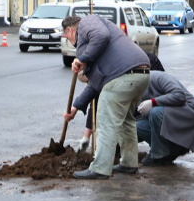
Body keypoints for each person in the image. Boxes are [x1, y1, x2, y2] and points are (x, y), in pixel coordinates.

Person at [61, 14, 152, 179]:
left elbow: (102, 35)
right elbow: (95, 84)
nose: (70, 42)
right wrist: (75, 107)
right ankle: (129, 163)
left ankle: (100, 168)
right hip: (141, 74)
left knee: (105, 121)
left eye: (67, 37)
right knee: (126, 121)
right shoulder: (93, 46)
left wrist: (82, 58)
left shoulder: (87, 22)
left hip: (123, 75)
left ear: (70, 30)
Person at [78, 52, 164, 152]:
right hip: (135, 105)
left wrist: (153, 102)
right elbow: (96, 103)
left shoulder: (150, 70)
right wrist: (87, 136)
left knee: (135, 125)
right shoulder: (114, 73)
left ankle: (159, 149)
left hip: (151, 113)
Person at [136, 71, 194, 165]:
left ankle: (160, 155)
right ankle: (174, 148)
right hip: (168, 115)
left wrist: (153, 102)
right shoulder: (132, 90)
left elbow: (179, 96)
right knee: (136, 126)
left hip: (189, 110)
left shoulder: (158, 77)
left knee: (155, 112)